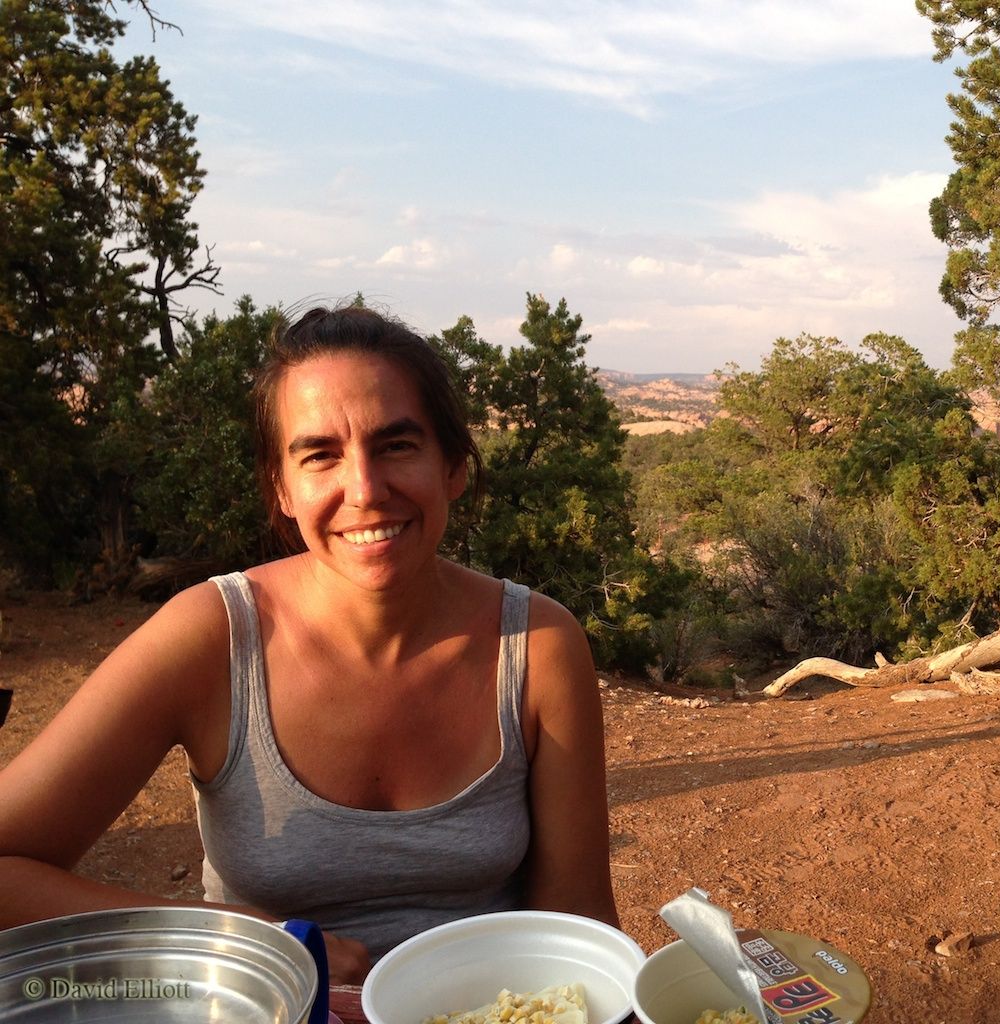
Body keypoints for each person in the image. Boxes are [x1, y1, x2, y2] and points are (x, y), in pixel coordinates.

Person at [0, 305, 619, 982]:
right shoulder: (211, 637)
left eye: (397, 445)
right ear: (282, 490)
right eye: (320, 455)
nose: (364, 489)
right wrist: (244, 945)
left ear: (453, 468)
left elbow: (577, 917)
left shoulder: (537, 646)